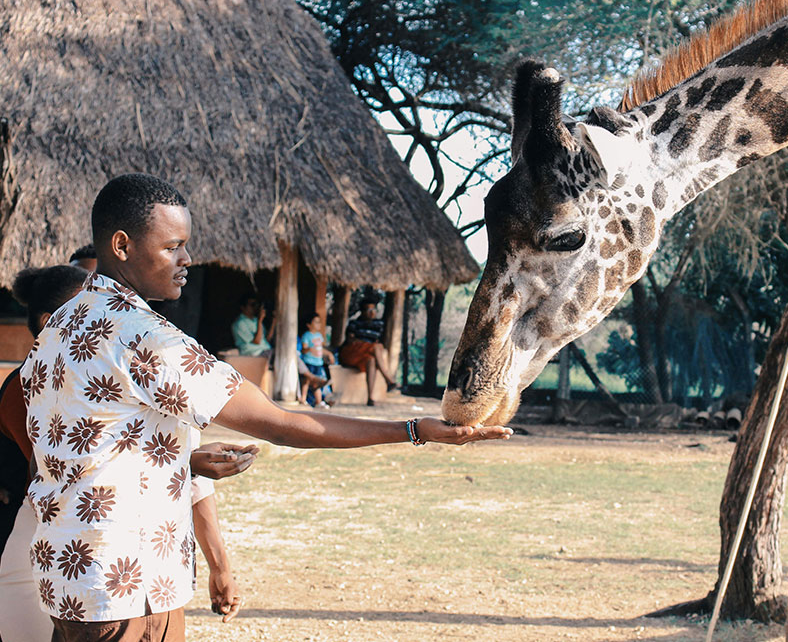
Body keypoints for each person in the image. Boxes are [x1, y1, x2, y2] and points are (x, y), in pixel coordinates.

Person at [22, 173, 511, 640]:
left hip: (70, 575)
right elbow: (281, 423)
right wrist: (413, 430)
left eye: (186, 245)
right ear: (122, 245)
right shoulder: (142, 336)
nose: (187, 259)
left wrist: (181, 459)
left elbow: (85, 445)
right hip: (128, 586)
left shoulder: (63, 323)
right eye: (172, 247)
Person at [0, 265, 257, 641]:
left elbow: (187, 476)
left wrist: (220, 565)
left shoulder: (137, 368)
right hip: (58, 556)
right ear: (50, 321)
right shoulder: (32, 386)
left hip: (140, 575)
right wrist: (185, 462)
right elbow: (74, 470)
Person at [337, 296, 397, 406]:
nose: (372, 313)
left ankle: (370, 398)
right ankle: (388, 379)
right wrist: (369, 345)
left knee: (371, 360)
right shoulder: (354, 324)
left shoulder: (378, 325)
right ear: (362, 311)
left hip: (364, 356)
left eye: (374, 310)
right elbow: (351, 341)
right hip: (350, 354)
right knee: (375, 347)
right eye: (368, 310)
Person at [299, 312, 333, 407]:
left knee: (317, 383)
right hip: (309, 362)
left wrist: (329, 354)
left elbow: (321, 349)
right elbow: (303, 349)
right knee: (307, 380)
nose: (319, 324)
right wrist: (310, 349)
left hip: (318, 363)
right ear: (309, 325)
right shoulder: (306, 336)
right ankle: (303, 398)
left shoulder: (319, 336)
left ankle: (318, 401)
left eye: (319, 322)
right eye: (316, 322)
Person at [231, 293, 275, 358]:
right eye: (252, 305)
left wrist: (274, 320)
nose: (255, 307)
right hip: (255, 354)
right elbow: (256, 341)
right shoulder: (240, 323)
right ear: (243, 307)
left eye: (256, 305)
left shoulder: (255, 320)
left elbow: (267, 339)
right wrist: (260, 321)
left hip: (266, 351)